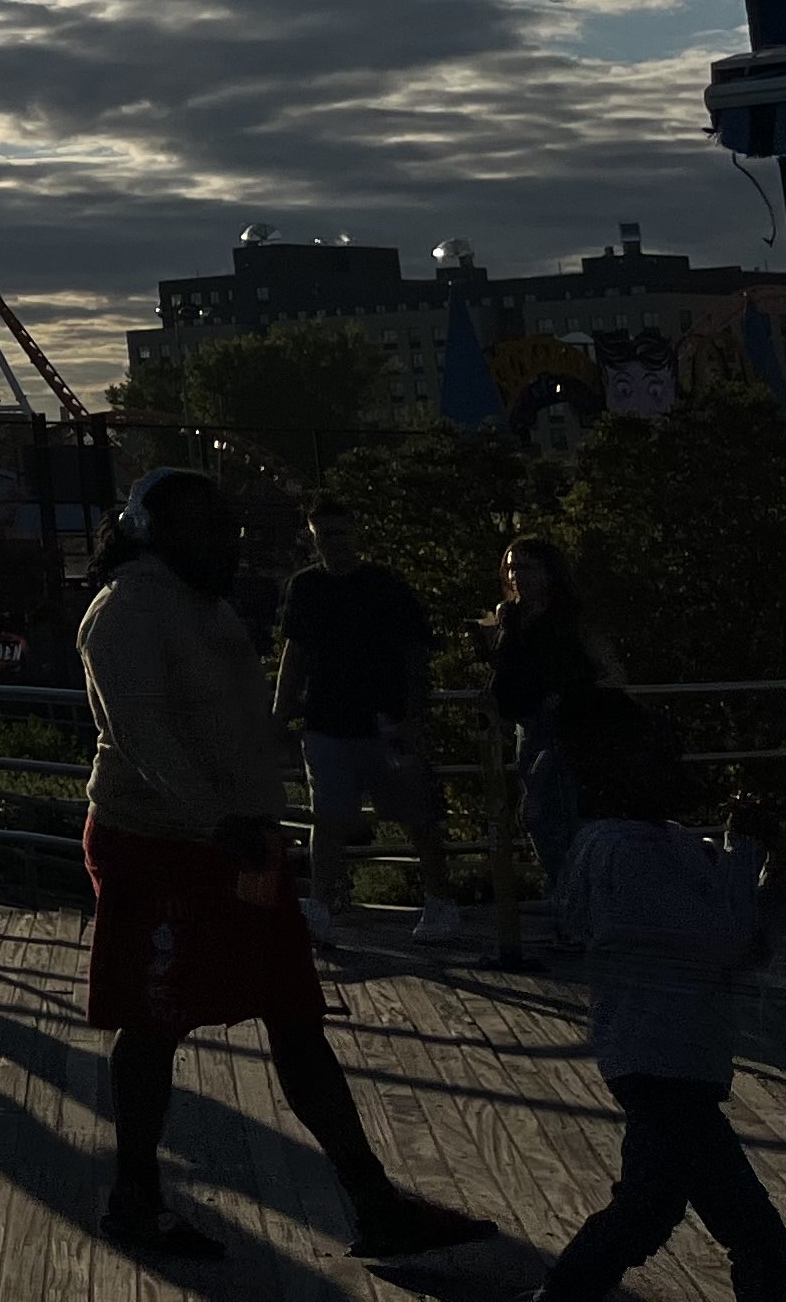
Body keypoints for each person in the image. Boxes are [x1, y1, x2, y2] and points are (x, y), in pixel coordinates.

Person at [77, 471, 488, 1262]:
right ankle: (136, 1199)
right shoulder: (126, 608)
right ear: (149, 528)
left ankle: (373, 1204)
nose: (222, 541)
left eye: (223, 526)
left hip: (235, 842)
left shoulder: (205, 603)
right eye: (203, 527)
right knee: (154, 1022)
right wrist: (215, 818)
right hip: (159, 842)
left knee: (294, 1012)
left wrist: (248, 818)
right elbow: (139, 732)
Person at [534, 694, 786, 1302]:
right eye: (658, 755)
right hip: (666, 1057)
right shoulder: (630, 852)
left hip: (667, 1055)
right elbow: (726, 938)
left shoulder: (646, 846)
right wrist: (750, 856)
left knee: (649, 1210)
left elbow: (737, 937)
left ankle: (564, 1295)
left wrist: (772, 891)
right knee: (743, 1230)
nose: (673, 766)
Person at [270, 500, 456, 946]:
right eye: (322, 535)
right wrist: (280, 712)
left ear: (354, 534)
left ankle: (439, 899)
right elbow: (293, 653)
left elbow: (415, 653)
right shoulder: (305, 588)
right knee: (328, 817)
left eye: (337, 533)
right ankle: (321, 904)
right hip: (327, 720)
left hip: (385, 721)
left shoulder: (384, 586)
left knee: (413, 814)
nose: (330, 543)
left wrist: (413, 715)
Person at [491, 533, 624, 911]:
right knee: (538, 813)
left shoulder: (569, 619)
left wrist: (574, 696)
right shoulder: (514, 618)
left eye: (526, 568)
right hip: (527, 726)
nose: (517, 577)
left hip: (564, 726)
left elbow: (610, 671)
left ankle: (573, 897)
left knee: (552, 811)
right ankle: (568, 895)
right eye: (512, 568)